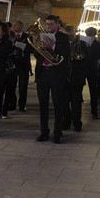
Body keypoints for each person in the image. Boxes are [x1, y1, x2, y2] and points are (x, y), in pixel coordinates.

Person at [34, 15, 71, 144]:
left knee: (58, 104)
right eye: (47, 24)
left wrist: (52, 46)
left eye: (51, 24)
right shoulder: (41, 36)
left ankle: (57, 132)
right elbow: (36, 55)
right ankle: (44, 132)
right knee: (43, 105)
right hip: (43, 73)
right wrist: (40, 48)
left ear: (57, 25)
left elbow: (65, 54)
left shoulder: (63, 37)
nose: (48, 26)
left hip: (56, 74)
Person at [83, 26, 100, 121]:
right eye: (88, 34)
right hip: (84, 68)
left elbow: (98, 55)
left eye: (91, 34)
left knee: (93, 91)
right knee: (92, 90)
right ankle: (94, 112)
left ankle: (94, 111)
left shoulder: (97, 44)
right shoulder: (82, 42)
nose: (90, 36)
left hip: (92, 68)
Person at [12, 21, 32, 111]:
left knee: (23, 87)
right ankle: (12, 104)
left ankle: (22, 105)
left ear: (21, 26)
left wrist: (23, 46)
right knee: (11, 86)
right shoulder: (11, 36)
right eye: (14, 26)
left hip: (24, 64)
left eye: (16, 25)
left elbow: (31, 48)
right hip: (13, 63)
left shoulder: (27, 37)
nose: (14, 27)